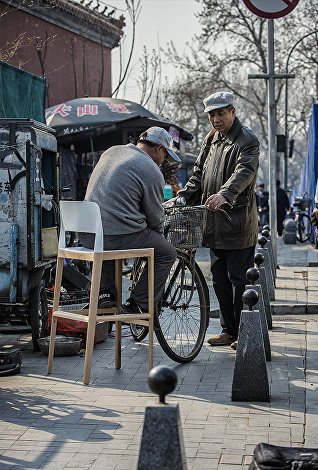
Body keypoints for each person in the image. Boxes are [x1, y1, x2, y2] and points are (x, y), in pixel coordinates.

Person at [177, 91, 259, 348]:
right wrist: (184, 196)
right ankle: (228, 331)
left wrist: (225, 194)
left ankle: (244, 332)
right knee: (220, 281)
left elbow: (244, 172)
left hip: (237, 224)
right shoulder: (212, 139)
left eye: (220, 113)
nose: (215, 119)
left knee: (239, 281)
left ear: (232, 111)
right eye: (212, 114)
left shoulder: (247, 140)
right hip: (213, 224)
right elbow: (198, 173)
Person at [80, 126, 178, 319]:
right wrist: (158, 233)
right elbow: (155, 217)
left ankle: (105, 294)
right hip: (114, 235)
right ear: (158, 149)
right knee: (166, 252)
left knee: (108, 239)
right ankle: (139, 304)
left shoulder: (112, 151)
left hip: (87, 233)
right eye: (165, 155)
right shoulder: (151, 169)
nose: (164, 161)